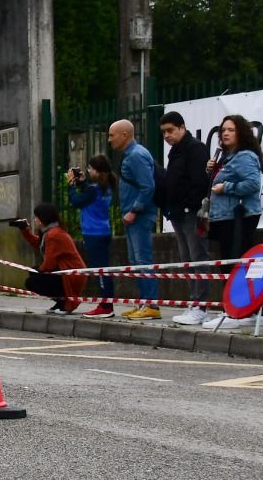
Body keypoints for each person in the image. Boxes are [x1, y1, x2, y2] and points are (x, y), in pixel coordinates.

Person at [204, 114, 263, 329]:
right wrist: (211, 171)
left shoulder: (245, 156)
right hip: (224, 216)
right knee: (233, 261)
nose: (225, 134)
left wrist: (226, 188)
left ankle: (238, 311)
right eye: (223, 130)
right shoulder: (226, 156)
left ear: (241, 132)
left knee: (235, 262)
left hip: (238, 216)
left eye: (230, 129)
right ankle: (257, 309)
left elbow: (252, 184)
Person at [159, 111, 213, 327]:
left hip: (191, 212)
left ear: (182, 127)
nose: (167, 136)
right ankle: (194, 301)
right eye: (163, 132)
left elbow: (199, 182)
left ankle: (201, 305)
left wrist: (189, 205)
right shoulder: (175, 151)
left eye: (170, 130)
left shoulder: (195, 148)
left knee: (198, 255)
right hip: (178, 213)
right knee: (187, 258)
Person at [110, 119, 160, 320]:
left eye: (112, 135)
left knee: (142, 260)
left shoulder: (137, 156)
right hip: (133, 217)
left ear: (125, 135)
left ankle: (151, 305)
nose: (110, 139)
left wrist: (134, 210)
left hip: (139, 217)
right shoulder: (130, 155)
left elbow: (148, 187)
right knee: (135, 260)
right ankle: (143, 302)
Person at [67, 155, 117, 317]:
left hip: (92, 234)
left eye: (90, 169)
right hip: (104, 231)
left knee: (100, 270)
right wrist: (82, 182)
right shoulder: (106, 186)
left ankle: (105, 306)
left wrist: (72, 185)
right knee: (104, 268)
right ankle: (106, 303)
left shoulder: (93, 189)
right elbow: (90, 193)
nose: (88, 171)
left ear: (96, 171)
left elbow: (76, 201)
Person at [13, 203, 86, 313]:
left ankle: (65, 303)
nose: (35, 220)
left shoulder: (53, 235)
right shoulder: (51, 232)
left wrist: (38, 271)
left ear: (42, 219)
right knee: (34, 274)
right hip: (65, 272)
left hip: (71, 275)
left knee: (32, 281)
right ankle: (61, 302)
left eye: (36, 217)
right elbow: (38, 243)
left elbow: (49, 263)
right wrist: (24, 230)